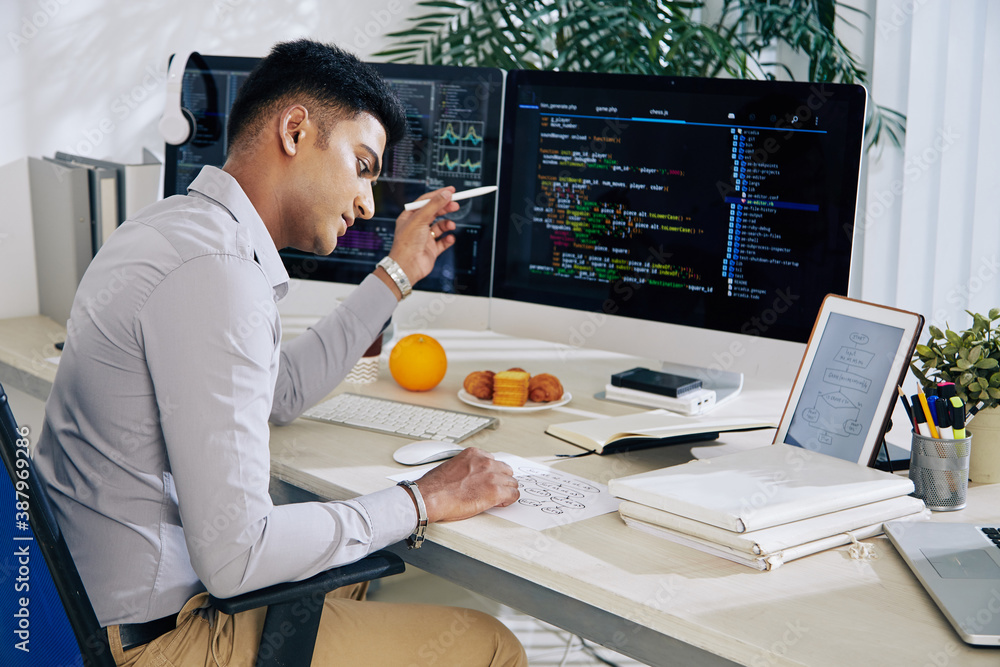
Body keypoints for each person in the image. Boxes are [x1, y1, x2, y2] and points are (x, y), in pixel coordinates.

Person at [34, 39, 527, 666]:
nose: (368, 202)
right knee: (491, 646)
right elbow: (238, 555)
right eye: (364, 165)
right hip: (154, 644)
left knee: (353, 570)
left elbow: (281, 389)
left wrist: (398, 273)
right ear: (295, 129)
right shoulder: (217, 271)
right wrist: (420, 500)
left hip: (76, 616)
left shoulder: (170, 231)